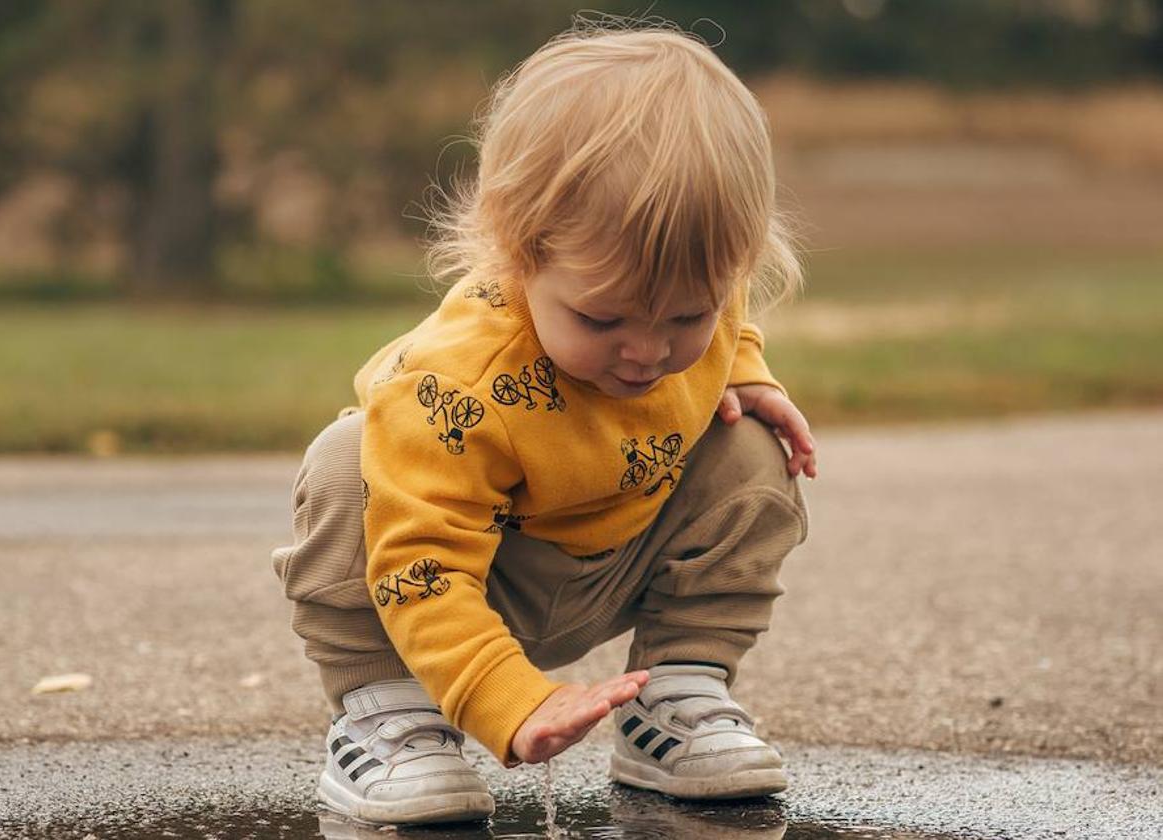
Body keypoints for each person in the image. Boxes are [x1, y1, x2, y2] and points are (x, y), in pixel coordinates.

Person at [271, 16, 817, 826]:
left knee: (749, 451)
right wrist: (509, 702)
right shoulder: (454, 388)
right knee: (345, 460)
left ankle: (675, 698)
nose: (646, 352)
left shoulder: (690, 288)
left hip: (618, 553)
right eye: (603, 321)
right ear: (516, 253)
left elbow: (729, 319)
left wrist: (744, 371)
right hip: (464, 578)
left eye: (685, 318)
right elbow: (422, 564)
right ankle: (391, 721)